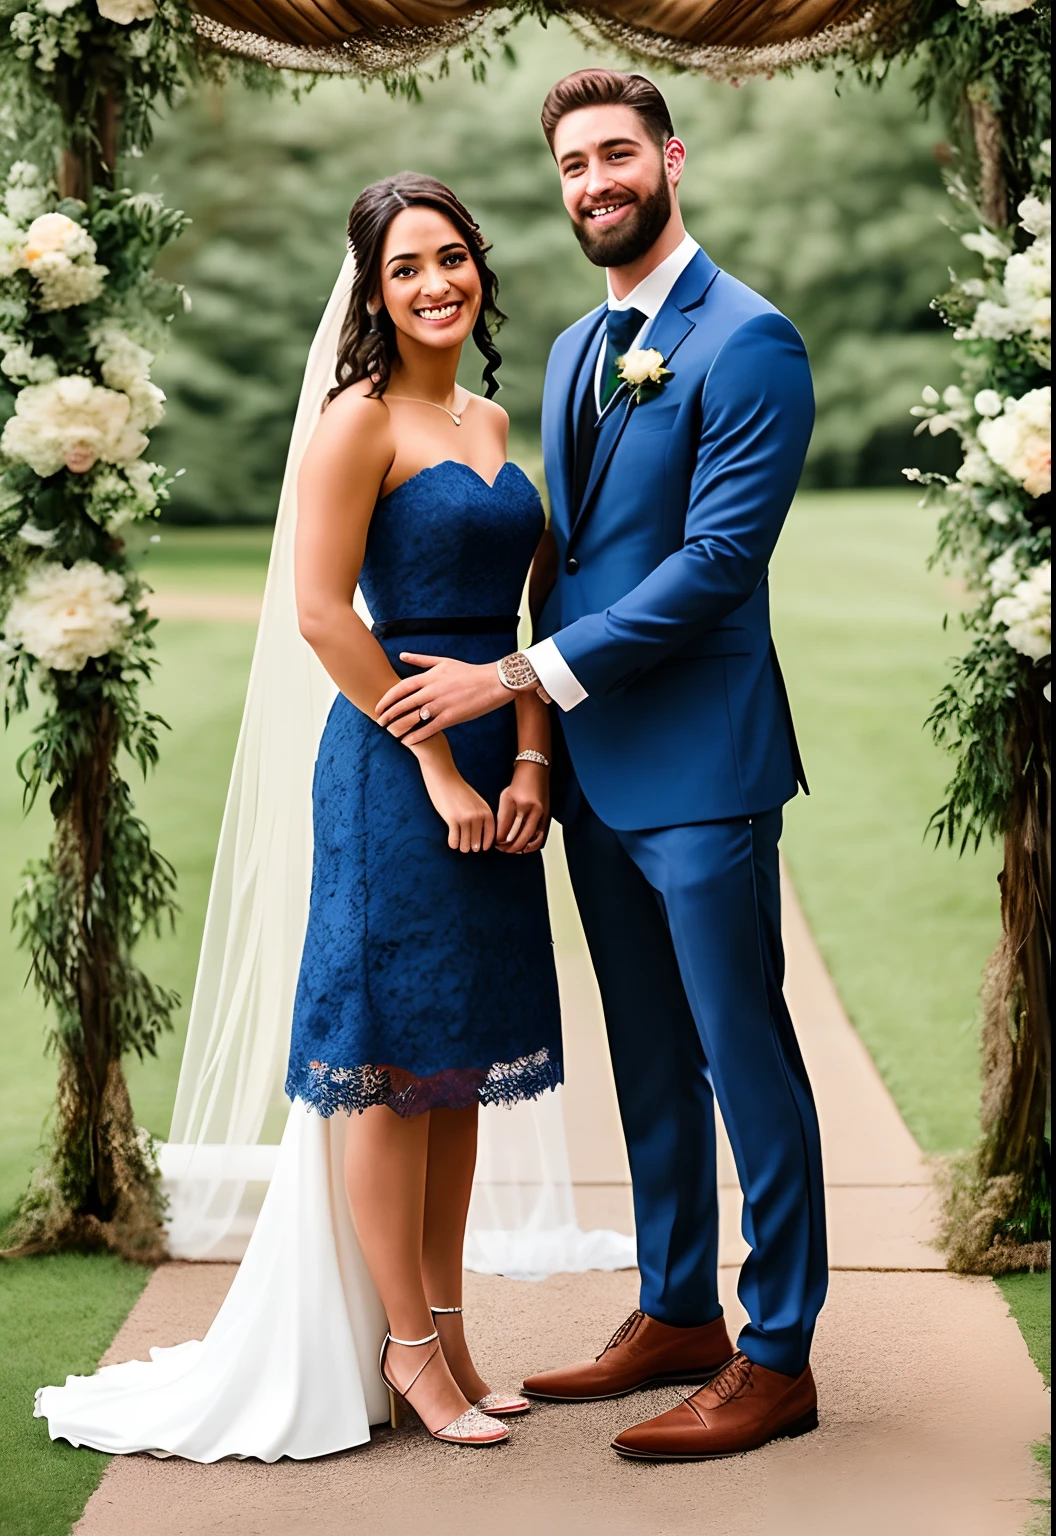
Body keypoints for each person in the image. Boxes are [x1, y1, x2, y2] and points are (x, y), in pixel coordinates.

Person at [34, 174, 562, 1458]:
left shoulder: (495, 418)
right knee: (387, 1066)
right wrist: (439, 766)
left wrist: (532, 760)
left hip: (503, 741)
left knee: (456, 1068)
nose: (434, 282)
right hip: (398, 763)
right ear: (373, 294)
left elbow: (537, 624)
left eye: (451, 258)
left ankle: (450, 1323)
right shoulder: (357, 422)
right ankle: (409, 1353)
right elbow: (327, 612)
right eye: (404, 269)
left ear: (479, 269)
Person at [375, 71, 829, 1462]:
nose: (593, 183)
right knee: (646, 1056)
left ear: (670, 159)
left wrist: (516, 681)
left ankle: (779, 1350)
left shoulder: (752, 341)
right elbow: (560, 565)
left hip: (702, 765)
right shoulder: (576, 348)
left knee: (741, 1050)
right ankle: (677, 1307)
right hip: (590, 774)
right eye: (572, 165)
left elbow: (712, 568)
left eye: (616, 155)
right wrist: (536, 739)